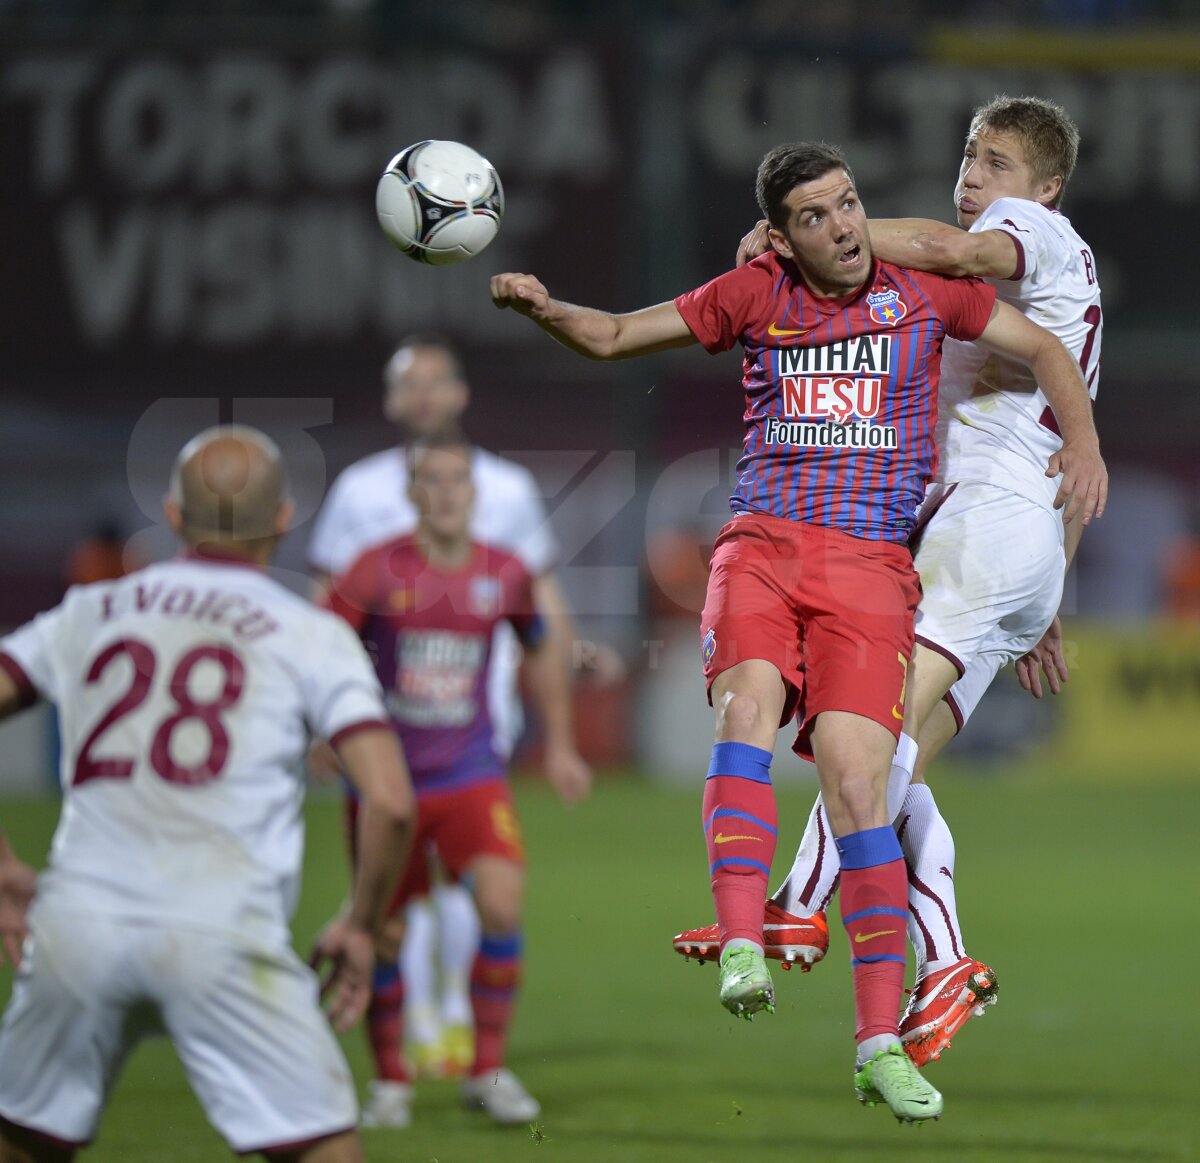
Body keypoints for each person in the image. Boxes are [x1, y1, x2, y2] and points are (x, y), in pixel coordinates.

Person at [490, 139, 1106, 1124]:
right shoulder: (757, 292)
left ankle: (864, 997)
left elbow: (1020, 325)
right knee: (759, 710)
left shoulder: (939, 277)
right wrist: (545, 308)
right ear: (782, 236)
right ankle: (767, 933)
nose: (844, 224)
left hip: (882, 565)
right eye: (815, 216)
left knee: (869, 768)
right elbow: (611, 335)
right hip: (779, 545)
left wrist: (1082, 445)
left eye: (851, 203)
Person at [672, 96, 1104, 1069]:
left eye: (994, 160)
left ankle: (792, 906)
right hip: (1011, 547)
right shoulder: (1058, 273)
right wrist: (1047, 605)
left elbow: (956, 253)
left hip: (986, 525)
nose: (973, 177)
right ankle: (943, 955)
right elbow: (1052, 429)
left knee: (867, 742)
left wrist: (822, 240)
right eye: (967, 154)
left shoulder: (1025, 232)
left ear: (1045, 187)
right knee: (890, 760)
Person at [0, 426, 415, 1163]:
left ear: (173, 513)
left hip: (78, 923)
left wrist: (3, 866)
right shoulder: (309, 633)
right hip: (222, 930)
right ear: (285, 517)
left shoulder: (89, 610)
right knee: (323, 1150)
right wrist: (359, 922)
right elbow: (389, 800)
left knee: (25, 1142)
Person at [308, 334, 598, 1086]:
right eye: (413, 385)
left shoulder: (506, 489)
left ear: (461, 394)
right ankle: (418, 1035)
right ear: (394, 400)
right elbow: (324, 614)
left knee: (482, 882)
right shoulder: (359, 495)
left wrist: (565, 702)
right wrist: (323, 718)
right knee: (402, 899)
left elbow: (537, 603)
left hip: (478, 715)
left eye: (439, 383)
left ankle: (457, 1017)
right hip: (385, 731)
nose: (427, 397)